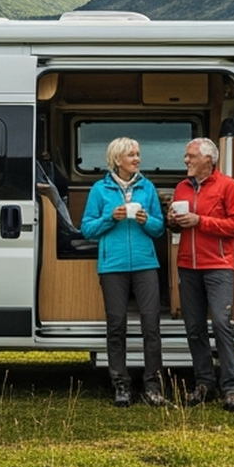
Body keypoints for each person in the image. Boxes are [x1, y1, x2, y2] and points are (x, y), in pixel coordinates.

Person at [80, 136, 167, 407]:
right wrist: (110, 218)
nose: (137, 159)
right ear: (117, 160)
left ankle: (152, 386)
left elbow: (159, 228)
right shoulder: (99, 189)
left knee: (151, 326)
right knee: (116, 326)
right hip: (113, 266)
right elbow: (87, 229)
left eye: (138, 154)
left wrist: (146, 220)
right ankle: (121, 385)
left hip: (145, 264)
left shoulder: (147, 187)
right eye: (132, 155)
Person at [171, 136, 234, 412]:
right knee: (194, 329)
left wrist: (200, 221)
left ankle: (231, 387)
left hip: (218, 266)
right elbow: (178, 228)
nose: (186, 160)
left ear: (209, 160)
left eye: (191, 156)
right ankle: (204, 383)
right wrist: (174, 222)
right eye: (186, 155)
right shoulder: (181, 187)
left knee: (221, 325)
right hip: (188, 267)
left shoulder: (227, 186)